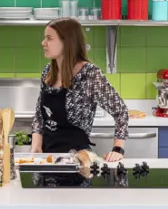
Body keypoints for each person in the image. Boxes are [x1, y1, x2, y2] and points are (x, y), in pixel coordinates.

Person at [30, 18, 129, 160]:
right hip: (47, 160)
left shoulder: (89, 74)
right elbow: (40, 116)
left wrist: (118, 149)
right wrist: (36, 145)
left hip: (77, 163)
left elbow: (121, 112)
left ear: (67, 42)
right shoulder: (48, 72)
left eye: (49, 38)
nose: (43, 43)